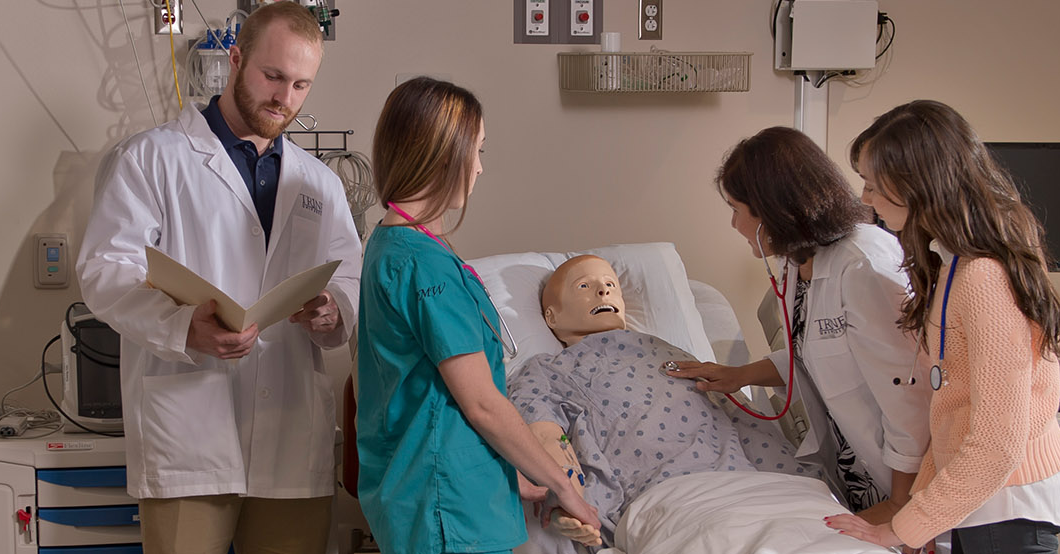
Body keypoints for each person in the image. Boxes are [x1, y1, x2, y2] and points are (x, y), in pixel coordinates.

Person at [75, 4, 360, 553]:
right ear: (235, 60)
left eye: (301, 84)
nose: (285, 98)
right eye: (272, 76)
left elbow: (350, 277)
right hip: (189, 432)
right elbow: (105, 271)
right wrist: (183, 328)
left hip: (290, 431)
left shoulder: (319, 183)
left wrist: (334, 309)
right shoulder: (152, 159)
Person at [824, 100, 1060, 553]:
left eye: (872, 185)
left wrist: (904, 527)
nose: (865, 199)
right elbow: (953, 415)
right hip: (980, 504)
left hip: (1009, 506)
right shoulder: (952, 267)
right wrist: (920, 515)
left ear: (917, 185)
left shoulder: (986, 277)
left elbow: (995, 444)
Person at [355, 77, 598, 554]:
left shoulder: (392, 247)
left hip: (443, 494)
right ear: (443, 155)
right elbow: (481, 403)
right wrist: (564, 485)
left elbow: (427, 393)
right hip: (446, 506)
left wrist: (513, 474)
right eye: (477, 150)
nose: (481, 168)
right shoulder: (422, 263)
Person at [664, 126, 930, 523]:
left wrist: (901, 505)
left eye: (736, 209)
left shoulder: (862, 264)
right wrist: (736, 375)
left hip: (908, 485)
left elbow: (909, 395)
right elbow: (812, 352)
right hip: (858, 478)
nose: (733, 224)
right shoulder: (797, 261)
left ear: (772, 208)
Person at [507, 255, 814, 553]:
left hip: (750, 486)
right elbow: (544, 432)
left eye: (611, 285)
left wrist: (792, 478)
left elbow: (732, 412)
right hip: (664, 497)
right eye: (584, 286)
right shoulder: (547, 368)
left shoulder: (667, 350)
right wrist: (568, 499)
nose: (603, 291)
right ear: (552, 317)